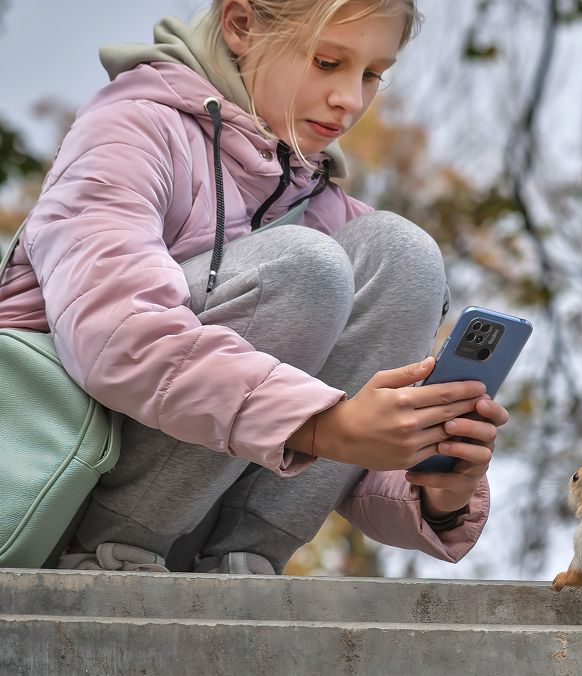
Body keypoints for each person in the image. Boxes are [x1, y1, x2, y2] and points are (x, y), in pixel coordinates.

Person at [0, 0, 506, 575]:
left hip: (199, 539)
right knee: (303, 268)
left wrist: (435, 482)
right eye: (326, 62)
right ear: (241, 24)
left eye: (370, 75)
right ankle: (113, 553)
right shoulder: (129, 133)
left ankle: (243, 564)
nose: (351, 99)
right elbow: (117, 336)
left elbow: (345, 451)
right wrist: (321, 425)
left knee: (402, 253)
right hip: (58, 505)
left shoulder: (320, 207)